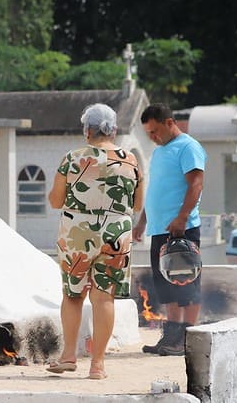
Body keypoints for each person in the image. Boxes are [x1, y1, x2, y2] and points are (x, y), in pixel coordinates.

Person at [46, 103, 143, 380]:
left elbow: (55, 201)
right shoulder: (131, 160)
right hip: (117, 232)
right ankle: (97, 365)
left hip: (78, 232)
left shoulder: (73, 158)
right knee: (104, 298)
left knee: (73, 295)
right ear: (113, 130)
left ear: (87, 130)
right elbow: (137, 204)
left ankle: (68, 356)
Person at [132, 103, 206, 356]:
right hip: (159, 229)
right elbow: (155, 190)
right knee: (166, 286)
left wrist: (182, 217)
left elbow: (196, 183)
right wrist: (142, 221)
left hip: (181, 229)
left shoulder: (188, 147)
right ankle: (171, 337)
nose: (152, 138)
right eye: (148, 134)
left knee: (186, 284)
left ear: (169, 123)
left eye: (154, 131)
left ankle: (186, 339)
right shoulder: (160, 151)